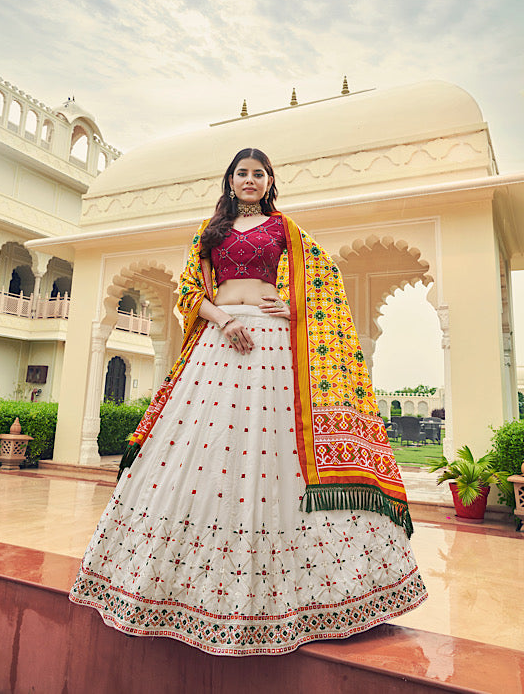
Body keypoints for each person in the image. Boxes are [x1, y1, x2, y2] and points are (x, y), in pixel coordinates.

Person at [69, 147, 427, 656]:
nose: (251, 180)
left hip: (273, 344)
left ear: (270, 180)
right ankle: (173, 588)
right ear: (231, 180)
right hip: (220, 340)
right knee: (204, 447)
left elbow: (326, 285)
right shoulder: (209, 231)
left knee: (272, 447)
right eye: (243, 173)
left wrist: (293, 304)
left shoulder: (286, 229)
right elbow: (189, 291)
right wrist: (224, 320)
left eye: (260, 174)